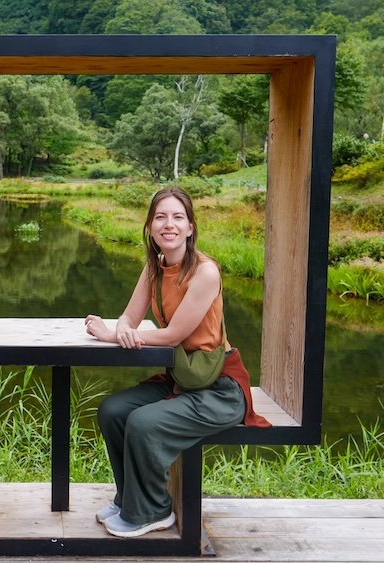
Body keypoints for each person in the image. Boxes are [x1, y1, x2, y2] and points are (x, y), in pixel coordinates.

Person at [84, 186, 270, 538]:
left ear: (190, 227)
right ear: (150, 228)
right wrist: (120, 328)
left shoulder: (205, 272)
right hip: (183, 380)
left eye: (177, 217)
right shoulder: (154, 268)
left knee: (142, 423)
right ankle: (130, 500)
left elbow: (172, 336)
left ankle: (154, 511)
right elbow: (129, 319)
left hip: (218, 390)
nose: (168, 224)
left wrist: (113, 335)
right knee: (114, 411)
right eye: (160, 217)